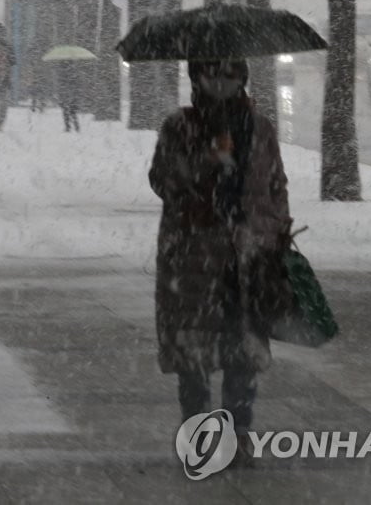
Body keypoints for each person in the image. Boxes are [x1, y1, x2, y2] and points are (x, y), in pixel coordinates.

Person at [148, 58, 294, 463]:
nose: (220, 82)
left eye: (230, 73)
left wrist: (272, 232)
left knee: (241, 349)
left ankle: (238, 433)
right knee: (192, 352)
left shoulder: (259, 128)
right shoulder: (179, 126)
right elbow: (162, 180)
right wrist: (204, 162)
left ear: (242, 78)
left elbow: (275, 185)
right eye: (211, 73)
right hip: (191, 258)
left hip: (244, 258)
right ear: (196, 77)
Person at [57, 59, 81, 132]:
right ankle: (75, 127)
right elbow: (76, 84)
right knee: (72, 113)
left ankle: (68, 127)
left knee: (66, 112)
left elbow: (61, 83)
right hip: (71, 95)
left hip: (66, 94)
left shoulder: (63, 73)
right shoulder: (74, 72)